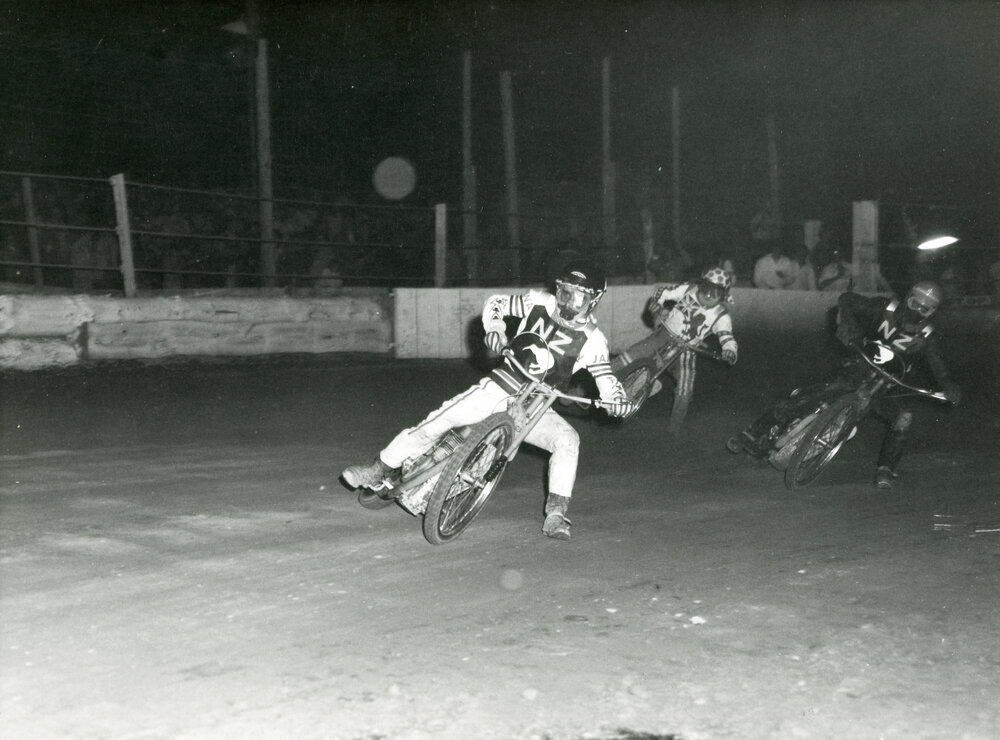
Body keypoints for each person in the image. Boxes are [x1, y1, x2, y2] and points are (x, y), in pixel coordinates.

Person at [341, 262, 634, 540]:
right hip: (500, 385)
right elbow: (497, 302)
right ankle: (379, 467)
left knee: (568, 439)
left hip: (536, 406)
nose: (566, 301)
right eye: (564, 292)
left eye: (576, 296)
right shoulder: (539, 302)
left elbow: (607, 381)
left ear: (593, 301)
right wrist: (495, 327)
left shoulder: (593, 341)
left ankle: (556, 513)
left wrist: (617, 401)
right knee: (438, 421)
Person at [729, 282, 961, 489]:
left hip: (888, 385)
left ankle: (886, 469)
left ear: (932, 311)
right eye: (914, 303)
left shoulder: (927, 336)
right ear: (907, 297)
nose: (917, 311)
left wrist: (947, 383)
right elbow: (847, 299)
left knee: (903, 417)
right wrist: (848, 323)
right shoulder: (885, 308)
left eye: (925, 309)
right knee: (814, 395)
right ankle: (752, 432)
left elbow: (937, 362)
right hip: (859, 364)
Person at [611, 267, 739, 434]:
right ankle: (588, 384)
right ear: (700, 285)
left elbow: (726, 336)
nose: (708, 296)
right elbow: (663, 292)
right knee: (631, 355)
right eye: (706, 289)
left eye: (715, 293)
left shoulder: (721, 315)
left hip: (687, 349)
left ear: (723, 296)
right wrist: (657, 304)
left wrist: (730, 350)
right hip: (664, 333)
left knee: (685, 387)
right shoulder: (687, 289)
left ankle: (674, 428)